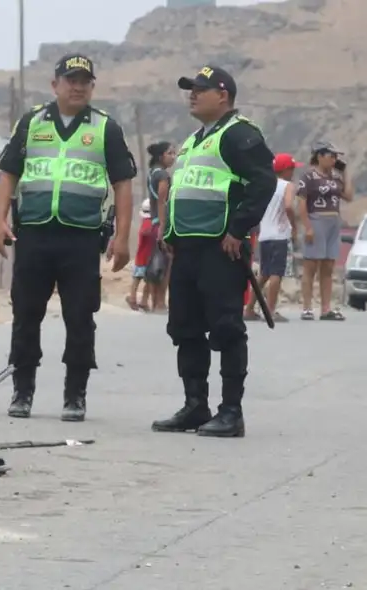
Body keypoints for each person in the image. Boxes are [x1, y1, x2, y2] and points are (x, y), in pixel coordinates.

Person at [0, 53, 136, 421]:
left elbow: (122, 184)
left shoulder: (106, 128)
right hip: (35, 235)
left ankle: (75, 395)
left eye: (84, 81)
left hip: (82, 239)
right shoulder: (31, 123)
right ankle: (22, 391)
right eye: (70, 79)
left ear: (92, 87)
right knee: (25, 314)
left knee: (79, 316)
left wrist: (122, 237)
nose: (77, 86)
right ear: (55, 84)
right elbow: (9, 173)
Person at [151, 65, 275, 438]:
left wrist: (239, 228)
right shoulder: (192, 140)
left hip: (222, 247)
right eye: (189, 89)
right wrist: (170, 232)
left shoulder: (240, 134)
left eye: (199, 89)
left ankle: (230, 412)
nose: (192, 94)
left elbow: (263, 181)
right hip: (187, 248)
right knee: (185, 328)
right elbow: (182, 189)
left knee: (226, 327)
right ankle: (195, 406)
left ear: (223, 95)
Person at [296, 141, 353, 321]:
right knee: (311, 266)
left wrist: (345, 173)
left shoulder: (335, 179)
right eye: (331, 156)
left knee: (328, 268)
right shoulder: (309, 177)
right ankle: (307, 307)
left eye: (336, 157)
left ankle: (326, 308)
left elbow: (349, 196)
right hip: (316, 219)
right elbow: (302, 204)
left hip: (333, 222)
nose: (335, 159)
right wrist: (308, 227)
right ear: (320, 156)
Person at [243, 153, 300, 322]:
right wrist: (294, 228)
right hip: (279, 235)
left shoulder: (265, 185)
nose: (293, 173)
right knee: (276, 273)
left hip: (264, 234)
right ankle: (270, 309)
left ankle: (249, 308)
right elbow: (289, 206)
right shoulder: (287, 186)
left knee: (264, 273)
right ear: (286, 170)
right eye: (292, 169)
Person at [147, 141, 177, 311]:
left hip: (153, 223)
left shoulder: (152, 173)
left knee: (155, 264)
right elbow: (162, 201)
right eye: (170, 153)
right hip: (161, 224)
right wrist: (163, 227)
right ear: (161, 156)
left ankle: (154, 302)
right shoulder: (163, 176)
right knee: (165, 265)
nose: (173, 157)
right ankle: (160, 303)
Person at [128, 200, 155, 311]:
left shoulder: (147, 222)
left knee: (139, 280)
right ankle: (137, 299)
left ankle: (136, 299)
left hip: (144, 257)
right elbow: (144, 232)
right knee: (143, 280)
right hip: (144, 258)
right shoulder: (149, 223)